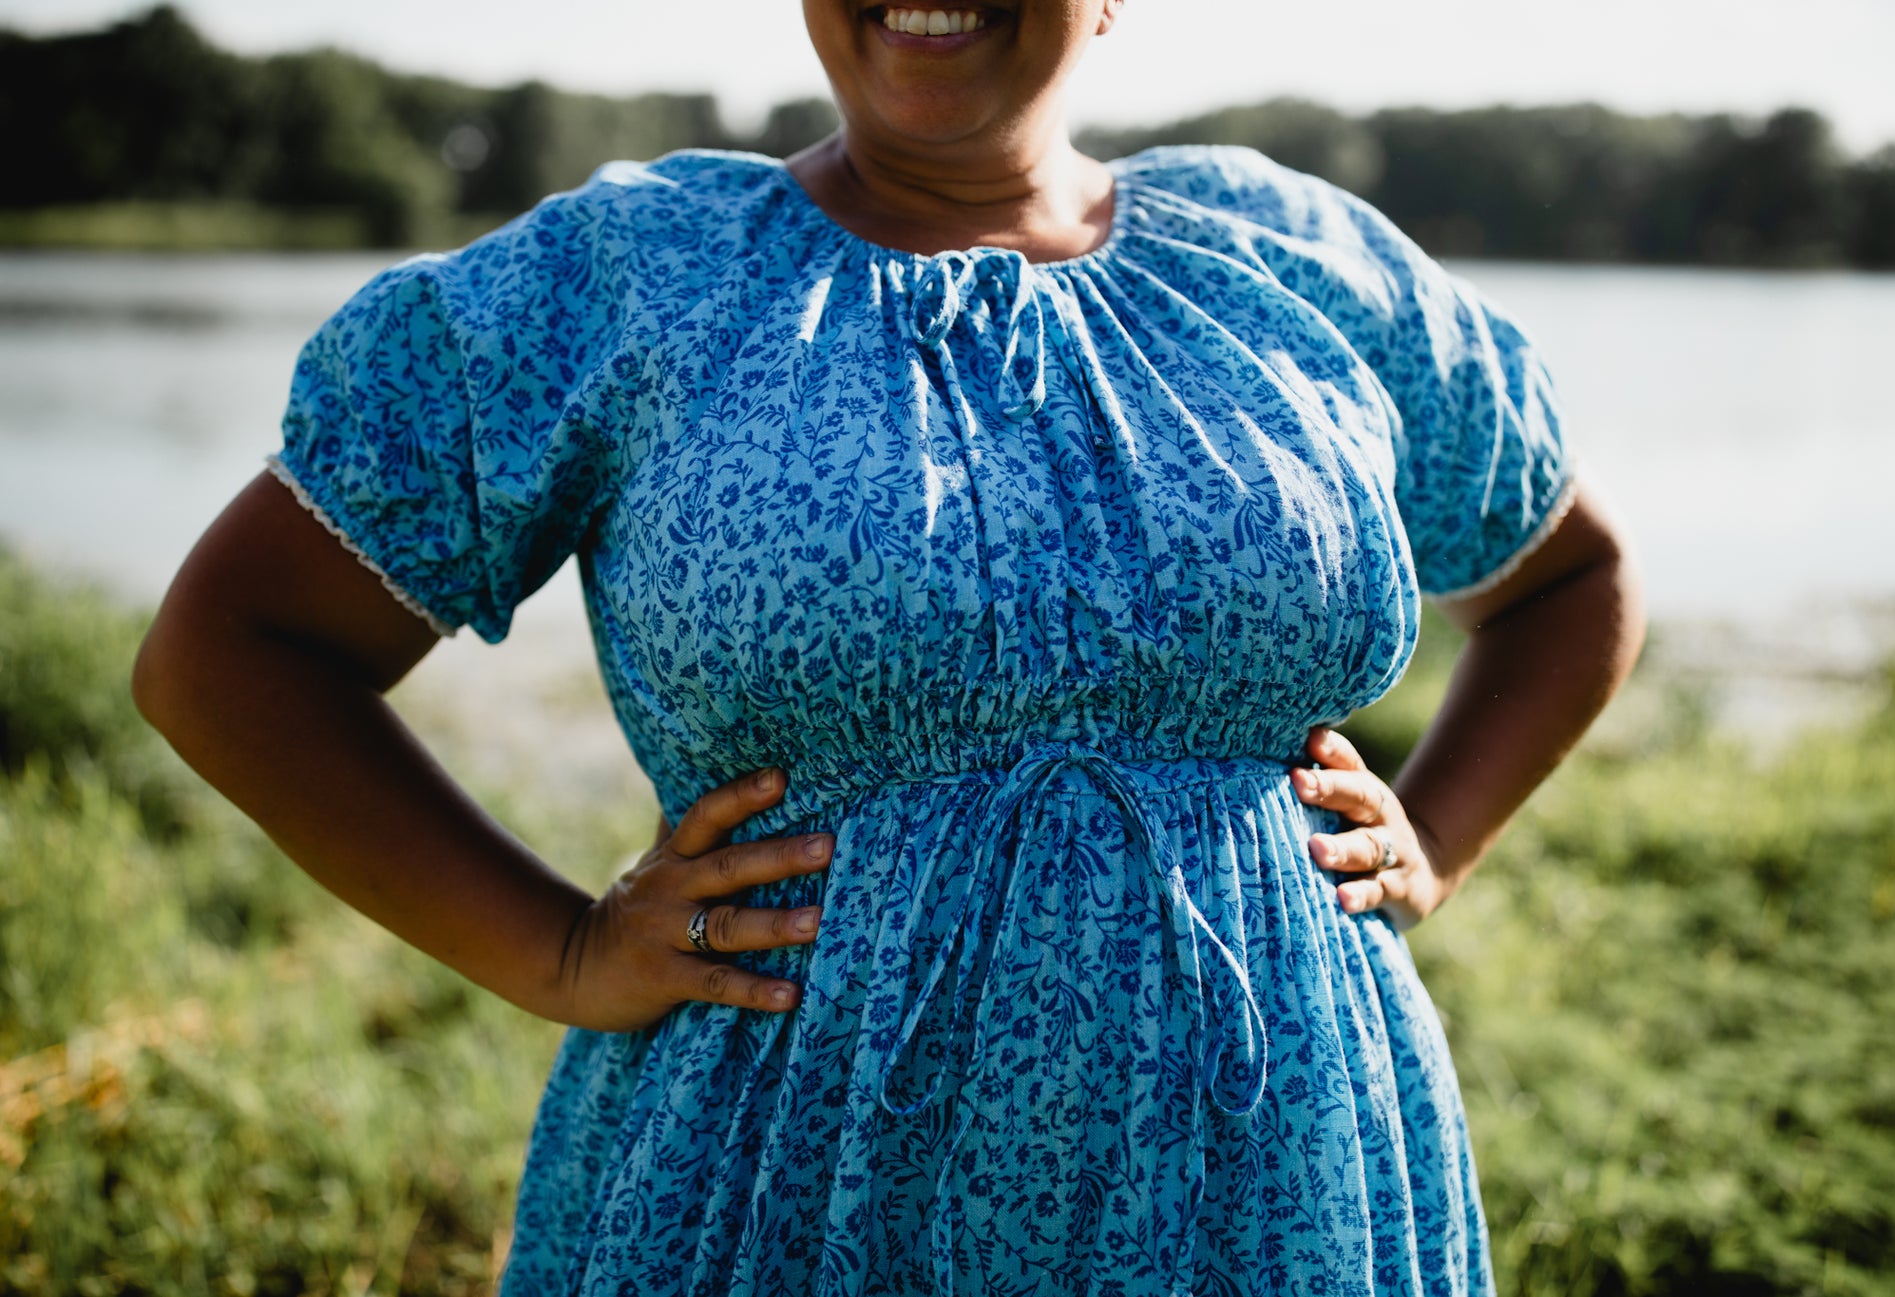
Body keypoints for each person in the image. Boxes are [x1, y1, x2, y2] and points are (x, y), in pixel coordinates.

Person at [133, 1, 1646, 1292]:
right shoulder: (630, 282)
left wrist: (1434, 836)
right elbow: (235, 646)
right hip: (785, 1188)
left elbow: (1566, 578)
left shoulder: (1296, 260)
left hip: (1280, 1186)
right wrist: (559, 946)